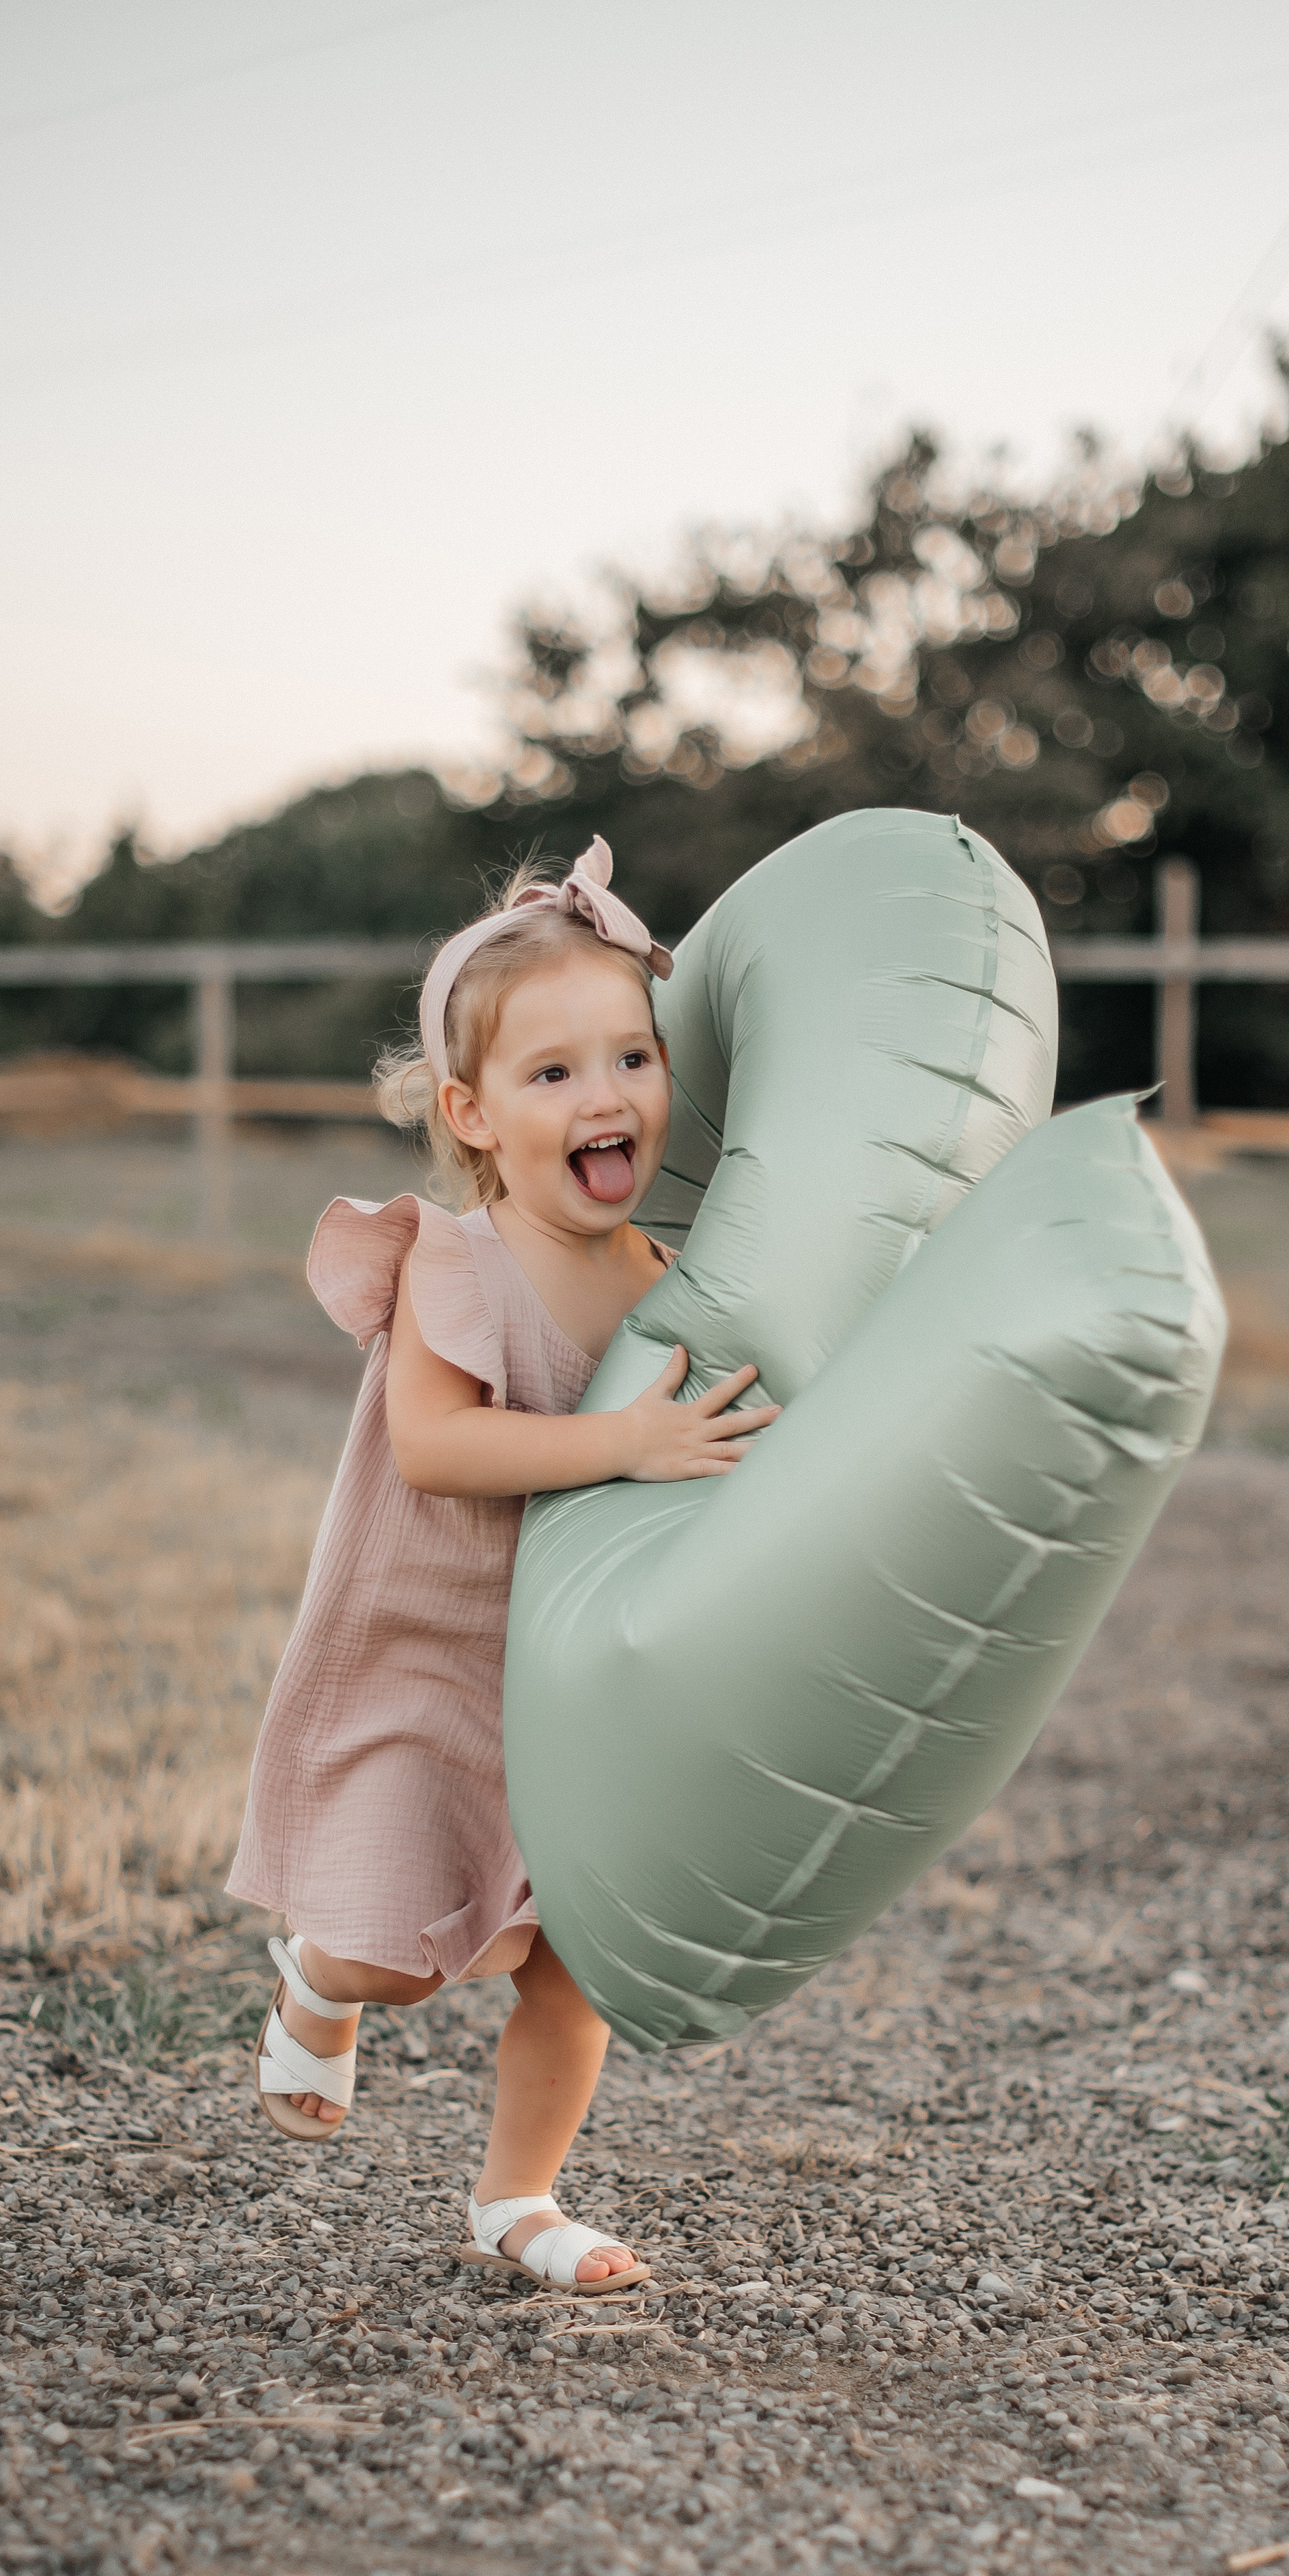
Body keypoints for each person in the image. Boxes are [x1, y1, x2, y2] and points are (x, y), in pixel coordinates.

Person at [226, 841, 777, 2294]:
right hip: (431, 1653)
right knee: (396, 1953)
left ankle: (516, 2199)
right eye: (552, 1077)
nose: (605, 1098)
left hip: (577, 1677)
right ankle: (318, 1982)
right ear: (470, 1114)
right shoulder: (453, 1265)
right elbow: (435, 1447)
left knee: (572, 1951)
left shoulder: (665, 1278)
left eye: (631, 1058)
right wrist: (626, 1446)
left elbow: (709, 1449)